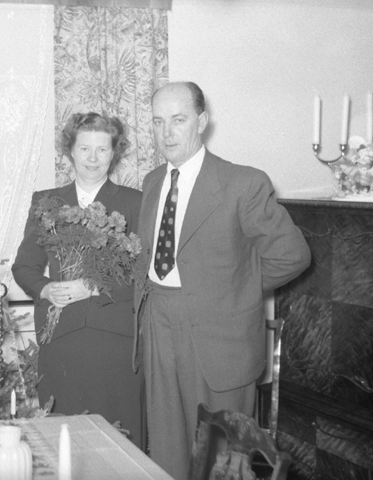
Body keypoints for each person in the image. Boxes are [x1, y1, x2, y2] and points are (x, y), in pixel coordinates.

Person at [133, 82, 311, 479]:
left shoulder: (242, 183)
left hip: (219, 335)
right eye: (158, 122)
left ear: (202, 121)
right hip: (158, 322)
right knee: (166, 448)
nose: (167, 133)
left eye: (178, 120)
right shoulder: (151, 182)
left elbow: (292, 255)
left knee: (221, 456)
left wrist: (234, 288)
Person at [12, 112, 145, 450]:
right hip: (62, 340)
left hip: (114, 340)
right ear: (70, 150)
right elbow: (24, 267)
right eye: (84, 148)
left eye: (102, 149)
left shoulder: (135, 202)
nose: (93, 158)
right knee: (64, 442)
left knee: (119, 444)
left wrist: (93, 286)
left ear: (114, 152)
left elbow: (145, 274)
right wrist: (45, 288)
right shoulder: (47, 202)